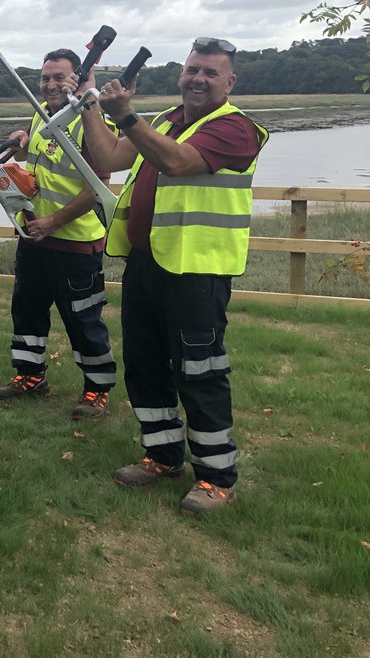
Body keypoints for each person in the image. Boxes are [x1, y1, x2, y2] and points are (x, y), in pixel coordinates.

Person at [79, 36, 268, 514]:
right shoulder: (163, 120)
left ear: (230, 81)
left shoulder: (237, 129)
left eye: (210, 72)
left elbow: (178, 163)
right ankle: (162, 456)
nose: (198, 79)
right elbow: (106, 158)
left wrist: (126, 116)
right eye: (192, 70)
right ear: (180, 74)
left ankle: (216, 476)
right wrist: (89, 103)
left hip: (197, 272)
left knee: (200, 372)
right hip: (147, 263)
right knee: (144, 365)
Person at [0, 49, 118, 419]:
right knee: (27, 307)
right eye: (45, 77)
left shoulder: (90, 122)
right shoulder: (40, 111)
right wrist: (22, 141)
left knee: (83, 316)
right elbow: (43, 157)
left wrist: (54, 222)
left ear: (75, 80)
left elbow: (98, 186)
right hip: (34, 235)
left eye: (59, 77)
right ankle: (30, 375)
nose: (50, 84)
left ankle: (97, 389)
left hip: (75, 240)